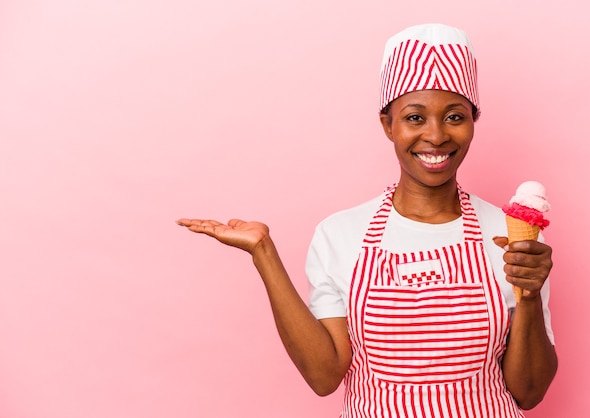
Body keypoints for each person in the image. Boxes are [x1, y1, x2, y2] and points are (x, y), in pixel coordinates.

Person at [177, 23, 557, 417]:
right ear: (387, 125)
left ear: (473, 123)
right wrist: (263, 253)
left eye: (455, 116)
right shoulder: (341, 235)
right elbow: (324, 377)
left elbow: (528, 393)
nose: (436, 135)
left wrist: (528, 294)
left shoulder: (508, 237)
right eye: (414, 118)